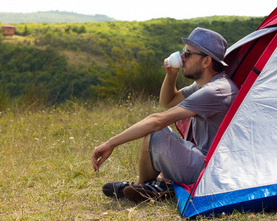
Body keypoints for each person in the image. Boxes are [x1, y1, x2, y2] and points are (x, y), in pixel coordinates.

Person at [91, 27, 239, 202]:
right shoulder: (204, 85)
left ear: (206, 61)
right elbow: (168, 101)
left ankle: (145, 187)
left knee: (155, 132)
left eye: (188, 54)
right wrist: (171, 74)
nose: (182, 57)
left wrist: (110, 144)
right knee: (156, 133)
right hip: (203, 156)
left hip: (210, 169)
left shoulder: (215, 91)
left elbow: (157, 120)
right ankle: (149, 186)